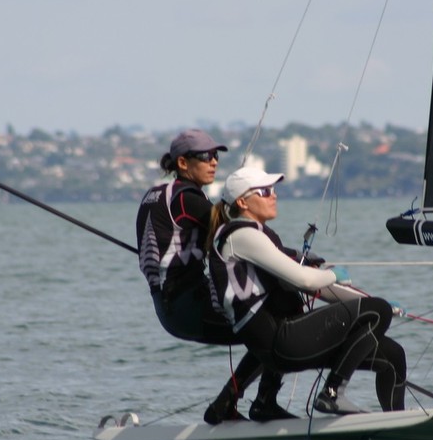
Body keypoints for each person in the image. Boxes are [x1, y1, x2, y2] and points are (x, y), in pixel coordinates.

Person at [207, 167, 407, 417]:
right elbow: (304, 279)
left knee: (393, 355)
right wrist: (336, 275)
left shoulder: (257, 236)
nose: (274, 196)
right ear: (242, 202)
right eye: (265, 191)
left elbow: (312, 287)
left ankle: (398, 422)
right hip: (281, 343)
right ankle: (332, 394)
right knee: (377, 311)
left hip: (284, 343)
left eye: (274, 190)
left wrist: (375, 303)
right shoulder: (242, 235)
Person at [135, 129, 267, 424]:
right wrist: (290, 257)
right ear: (183, 163)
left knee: (264, 330)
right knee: (273, 329)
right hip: (188, 305)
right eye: (206, 157)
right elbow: (235, 233)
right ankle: (247, 404)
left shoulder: (154, 194)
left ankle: (231, 404)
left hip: (169, 307)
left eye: (216, 156)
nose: (214, 162)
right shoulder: (186, 197)